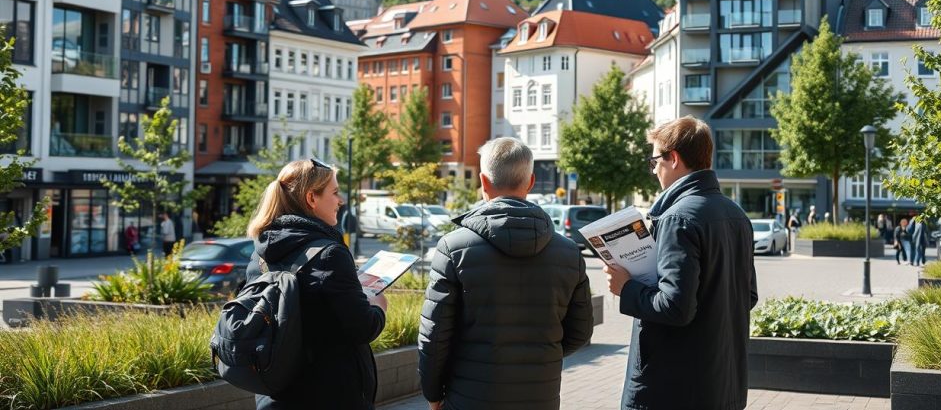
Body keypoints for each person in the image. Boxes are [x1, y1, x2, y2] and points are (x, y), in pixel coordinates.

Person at [418, 137, 593, 410]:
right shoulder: (569, 252)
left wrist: (433, 394)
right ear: (532, 182)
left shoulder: (453, 247)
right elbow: (580, 332)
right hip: (540, 397)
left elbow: (435, 334)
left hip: (469, 397)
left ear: (483, 182)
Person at [604, 116, 758, 410]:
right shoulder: (736, 215)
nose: (655, 171)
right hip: (723, 384)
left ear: (673, 158)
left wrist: (626, 288)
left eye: (655, 162)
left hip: (673, 388)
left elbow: (676, 307)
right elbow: (747, 296)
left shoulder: (677, 218)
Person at [244, 158, 387, 409]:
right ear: (312, 198)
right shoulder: (330, 254)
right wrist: (378, 306)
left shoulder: (261, 254)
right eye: (334, 192)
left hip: (274, 394)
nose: (340, 200)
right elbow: (363, 328)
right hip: (329, 394)